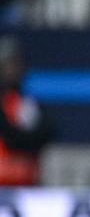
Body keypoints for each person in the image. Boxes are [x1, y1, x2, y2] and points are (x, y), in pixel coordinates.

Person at [0, 36, 53, 186]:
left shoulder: (26, 104)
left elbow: (46, 132)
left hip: (25, 185)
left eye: (16, 64)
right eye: (6, 65)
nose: (12, 70)